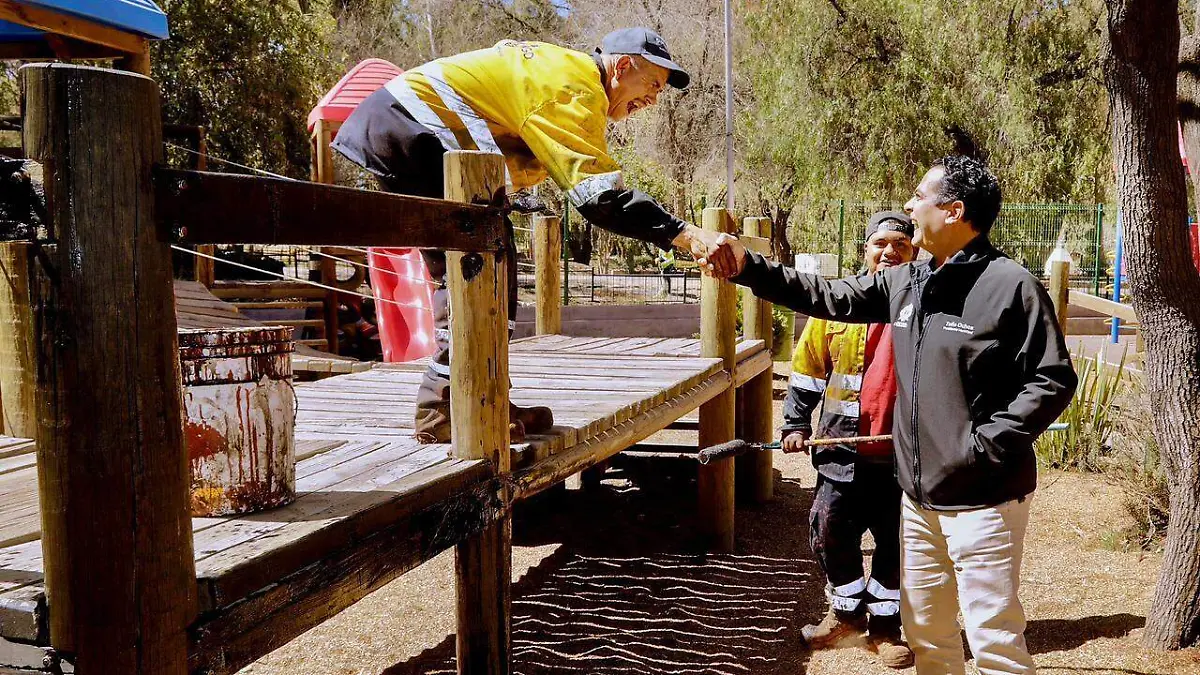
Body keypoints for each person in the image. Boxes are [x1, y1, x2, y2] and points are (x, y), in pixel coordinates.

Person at [715, 155, 1077, 674]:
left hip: (984, 499)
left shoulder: (1011, 287)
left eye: (919, 197)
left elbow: (1052, 379)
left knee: (992, 638)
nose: (909, 206)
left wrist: (984, 448)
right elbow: (829, 296)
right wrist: (750, 267)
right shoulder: (910, 279)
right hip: (917, 499)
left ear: (953, 211)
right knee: (928, 634)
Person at [331, 28, 737, 442]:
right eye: (652, 84)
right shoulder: (573, 88)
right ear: (622, 64)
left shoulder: (566, 76)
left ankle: (483, 396)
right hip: (408, 129)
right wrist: (685, 234)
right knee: (474, 266)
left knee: (493, 264)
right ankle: (444, 408)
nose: (653, 99)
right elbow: (598, 199)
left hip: (406, 129)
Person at [783, 211, 917, 668]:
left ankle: (884, 629)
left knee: (897, 543)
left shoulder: (925, 309)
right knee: (828, 529)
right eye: (881, 243)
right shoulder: (836, 306)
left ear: (914, 253)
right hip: (841, 451)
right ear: (866, 250)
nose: (890, 252)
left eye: (901, 244)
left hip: (904, 458)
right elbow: (806, 373)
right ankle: (846, 616)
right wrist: (796, 426)